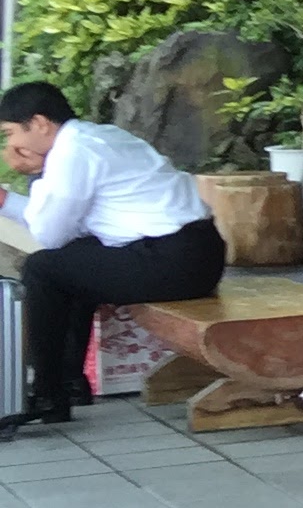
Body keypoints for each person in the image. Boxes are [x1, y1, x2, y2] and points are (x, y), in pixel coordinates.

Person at [0, 84, 224, 426]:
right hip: (197, 252)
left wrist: (36, 176)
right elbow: (65, 230)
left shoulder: (73, 153)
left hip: (172, 260)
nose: (10, 146)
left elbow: (49, 235)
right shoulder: (98, 137)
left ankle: (47, 392)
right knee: (73, 259)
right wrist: (6, 201)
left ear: (40, 123)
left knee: (42, 269)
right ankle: (68, 384)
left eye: (10, 133)